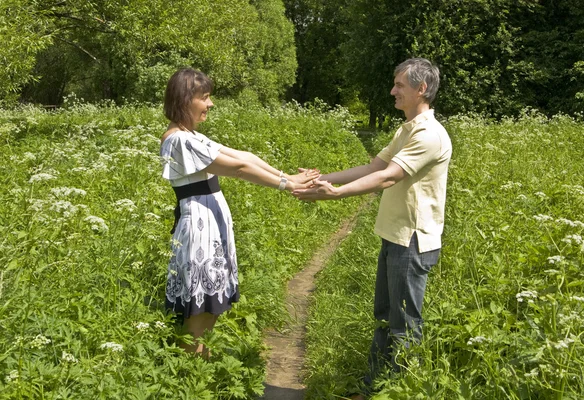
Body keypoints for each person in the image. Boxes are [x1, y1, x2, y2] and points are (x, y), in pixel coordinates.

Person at [293, 58, 452, 398]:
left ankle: (399, 392)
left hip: (412, 242)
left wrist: (335, 194)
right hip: (395, 238)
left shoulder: (429, 135)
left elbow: (388, 176)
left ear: (420, 89)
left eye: (400, 85)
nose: (392, 90)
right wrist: (317, 181)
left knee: (404, 326)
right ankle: (373, 389)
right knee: (383, 318)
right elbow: (372, 166)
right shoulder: (407, 129)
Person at [160, 68, 318, 357]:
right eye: (204, 97)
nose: (211, 104)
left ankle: (200, 367)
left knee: (209, 312)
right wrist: (287, 184)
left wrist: (288, 177)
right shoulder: (179, 141)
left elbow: (245, 157)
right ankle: (188, 375)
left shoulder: (190, 136)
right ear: (185, 99)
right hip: (199, 231)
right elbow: (239, 169)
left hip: (210, 229)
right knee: (199, 313)